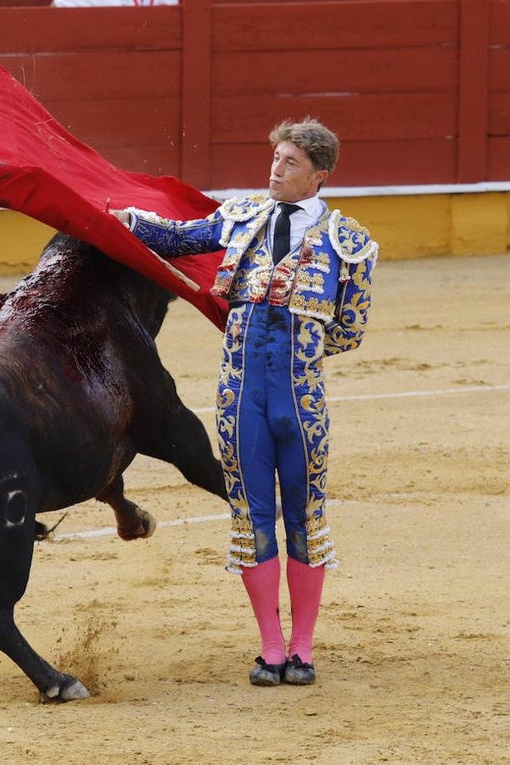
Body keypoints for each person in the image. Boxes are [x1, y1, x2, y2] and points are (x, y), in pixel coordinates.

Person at [110, 117, 377, 686]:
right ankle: (271, 647)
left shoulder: (348, 243)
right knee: (251, 520)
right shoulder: (239, 218)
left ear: (318, 176)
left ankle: (303, 649)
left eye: (290, 164)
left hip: (300, 404)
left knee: (305, 518)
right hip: (240, 402)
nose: (275, 170)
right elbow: (175, 238)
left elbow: (349, 331)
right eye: (275, 159)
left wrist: (297, 351)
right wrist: (115, 216)